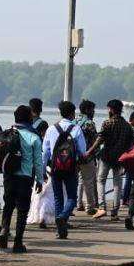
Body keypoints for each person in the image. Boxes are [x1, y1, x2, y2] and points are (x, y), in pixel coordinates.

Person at [0, 104, 44, 253]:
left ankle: (4, 230)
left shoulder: (8, 134)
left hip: (9, 175)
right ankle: (18, 242)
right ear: (29, 118)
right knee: (22, 210)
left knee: (8, 204)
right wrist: (40, 180)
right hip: (25, 177)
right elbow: (38, 161)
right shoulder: (34, 137)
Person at [43, 100, 87, 238]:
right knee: (72, 197)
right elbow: (82, 151)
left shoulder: (51, 129)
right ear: (72, 113)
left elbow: (45, 152)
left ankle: (59, 230)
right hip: (70, 168)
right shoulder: (76, 129)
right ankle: (63, 216)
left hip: (55, 167)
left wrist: (43, 168)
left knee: (58, 197)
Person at [92, 99, 134, 220]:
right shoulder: (127, 126)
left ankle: (102, 207)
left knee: (101, 181)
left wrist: (90, 151)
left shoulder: (107, 123)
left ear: (111, 109)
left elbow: (100, 140)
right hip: (120, 158)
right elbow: (130, 145)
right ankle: (114, 212)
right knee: (117, 184)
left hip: (106, 157)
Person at [75, 100, 100, 216]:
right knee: (88, 182)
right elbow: (95, 141)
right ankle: (90, 206)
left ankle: (78, 203)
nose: (94, 112)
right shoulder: (89, 123)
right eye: (92, 109)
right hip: (87, 156)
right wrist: (97, 154)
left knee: (79, 180)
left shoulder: (74, 120)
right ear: (87, 110)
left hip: (74, 156)